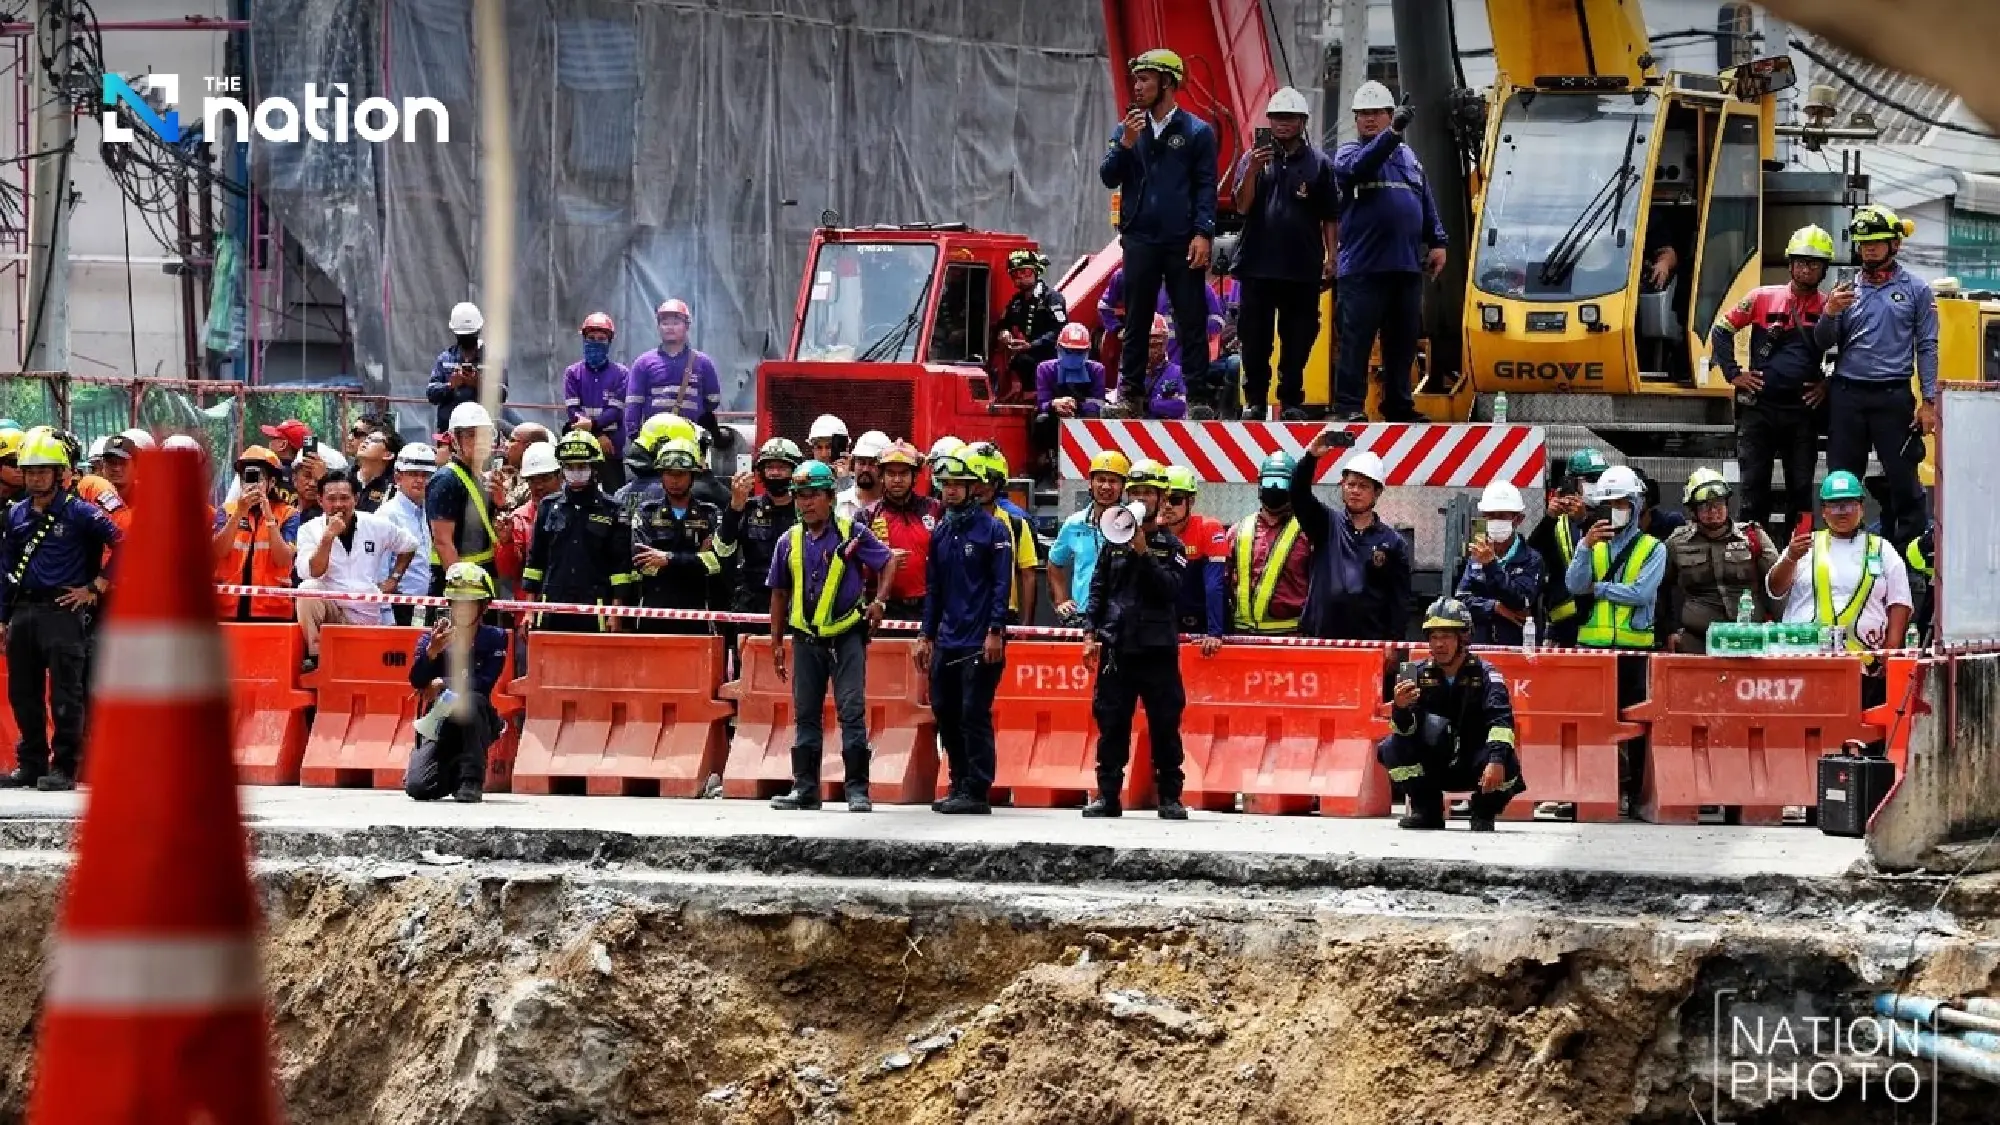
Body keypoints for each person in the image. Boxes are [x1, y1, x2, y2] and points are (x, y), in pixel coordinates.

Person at [766, 460, 898, 813]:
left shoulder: (852, 534)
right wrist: (776, 642)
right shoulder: (788, 541)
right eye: (801, 496)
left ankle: (857, 791)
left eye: (813, 495)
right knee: (806, 714)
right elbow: (778, 593)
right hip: (806, 640)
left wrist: (880, 602)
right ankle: (805, 790)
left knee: (851, 712)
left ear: (829, 497)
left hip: (845, 637)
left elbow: (887, 561)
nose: (806, 503)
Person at [1099, 47, 1218, 414]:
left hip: (1182, 240)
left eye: (1144, 79)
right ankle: (1130, 395)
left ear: (1167, 82)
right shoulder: (1127, 130)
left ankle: (1198, 397)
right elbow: (1109, 176)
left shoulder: (1198, 132)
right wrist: (1125, 144)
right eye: (1136, 79)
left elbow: (1206, 186)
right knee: (1136, 318)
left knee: (1191, 318)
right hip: (1140, 239)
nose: (1136, 86)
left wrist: (1203, 233)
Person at [1811, 205, 1938, 545]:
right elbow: (1822, 342)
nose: (1868, 248)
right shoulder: (1845, 289)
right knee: (1842, 480)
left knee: (1904, 481)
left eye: (1876, 242)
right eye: (1863, 242)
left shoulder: (1916, 289)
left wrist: (1929, 402)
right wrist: (1830, 312)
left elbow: (1927, 346)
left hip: (1893, 397)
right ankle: (1841, 549)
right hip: (1847, 396)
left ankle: (1910, 555)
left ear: (1894, 244)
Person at [0, 431, 118, 791]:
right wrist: (3, 618)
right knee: (22, 693)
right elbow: (5, 568)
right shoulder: (15, 514)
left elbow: (126, 544)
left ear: (59, 472)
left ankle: (65, 767)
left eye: (43, 471)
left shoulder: (81, 512)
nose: (35, 477)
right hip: (23, 611)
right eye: (30, 471)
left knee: (66, 694)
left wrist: (95, 587)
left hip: (63, 612)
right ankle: (30, 764)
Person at [1331, 80, 1446, 424]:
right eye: (1363, 113)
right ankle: (1349, 406)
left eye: (1377, 113)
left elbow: (1425, 200)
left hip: (1405, 267)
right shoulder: (1349, 154)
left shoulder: (1409, 159)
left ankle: (1398, 405)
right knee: (1356, 341)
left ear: (1388, 113)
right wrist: (1393, 133)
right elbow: (1359, 168)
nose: (1369, 119)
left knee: (1402, 344)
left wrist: (1438, 241)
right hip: (1363, 269)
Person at [1080, 459, 1188, 820]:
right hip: (1117, 647)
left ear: (1161, 498)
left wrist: (1144, 553)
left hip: (1157, 649)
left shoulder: (1171, 546)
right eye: (1136, 493)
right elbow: (1098, 589)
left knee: (1164, 724)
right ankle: (1108, 795)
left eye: (1148, 493)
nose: (1141, 499)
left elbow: (1170, 590)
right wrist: (1090, 632)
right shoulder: (1113, 542)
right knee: (1111, 723)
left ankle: (1169, 797)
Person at [1709, 225, 1835, 534]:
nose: (1807, 269)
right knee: (1753, 487)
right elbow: (1721, 330)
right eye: (1801, 262)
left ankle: (1801, 551)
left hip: (1802, 412)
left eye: (1814, 264)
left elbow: (1852, 350)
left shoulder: (1829, 307)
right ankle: (1752, 550)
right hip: (1759, 410)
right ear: (1790, 264)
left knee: (1802, 489)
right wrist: (1734, 374)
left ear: (1824, 269)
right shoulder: (1761, 297)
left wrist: (1826, 385)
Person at [1226, 85, 1340, 420]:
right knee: (1254, 338)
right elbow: (1242, 206)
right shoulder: (1252, 158)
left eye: (1289, 118)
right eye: (1276, 118)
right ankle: (1255, 401)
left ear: (1303, 121)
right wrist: (1252, 170)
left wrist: (1332, 257)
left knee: (1299, 338)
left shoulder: (1319, 164)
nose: (1282, 124)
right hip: (1257, 265)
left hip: (1302, 267)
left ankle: (1291, 401)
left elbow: (1330, 215)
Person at [916, 451, 1012, 815]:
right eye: (946, 485)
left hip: (979, 640)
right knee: (945, 710)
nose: (951, 491)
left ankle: (977, 788)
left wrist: (995, 630)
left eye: (958, 484)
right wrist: (926, 635)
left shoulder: (993, 530)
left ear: (974, 488)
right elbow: (934, 589)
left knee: (973, 712)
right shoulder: (941, 532)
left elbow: (1001, 585)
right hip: (948, 639)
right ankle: (958, 782)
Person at [1377, 598, 1526, 832]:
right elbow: (1405, 731)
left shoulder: (1486, 675)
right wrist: (1401, 708)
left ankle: (1483, 812)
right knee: (1390, 747)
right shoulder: (1415, 674)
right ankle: (1427, 811)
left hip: (1475, 763)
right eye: (1434, 637)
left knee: (1506, 759)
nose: (1439, 644)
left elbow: (1501, 723)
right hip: (1435, 765)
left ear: (1463, 638)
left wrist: (1496, 761)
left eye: (1446, 636)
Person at [1767, 471, 1913, 675]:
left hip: (1862, 664)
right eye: (1835, 505)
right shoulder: (1805, 545)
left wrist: (1890, 650)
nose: (1842, 512)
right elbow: (1775, 589)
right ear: (1824, 511)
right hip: (1803, 661)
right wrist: (1790, 558)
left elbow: (1900, 601)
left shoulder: (1882, 549)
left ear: (1862, 508)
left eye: (1849, 505)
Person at [403, 562, 509, 804]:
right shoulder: (432, 639)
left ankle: (471, 780)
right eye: (458, 602)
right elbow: (417, 681)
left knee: (471, 699)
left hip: (475, 716)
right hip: (440, 719)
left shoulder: (495, 638)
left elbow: (484, 682)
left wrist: (443, 682)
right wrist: (431, 654)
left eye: (470, 603)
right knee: (419, 787)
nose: (462, 609)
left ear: (483, 606)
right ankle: (453, 771)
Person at [293, 472, 419, 672]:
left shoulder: (375, 524)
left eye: (344, 498)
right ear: (320, 500)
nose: (338, 505)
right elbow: (312, 572)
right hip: (332, 611)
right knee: (307, 589)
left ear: (356, 498)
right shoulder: (309, 529)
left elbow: (410, 544)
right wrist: (327, 538)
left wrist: (394, 579)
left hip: (366, 612)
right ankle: (317, 658)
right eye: (331, 499)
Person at [1291, 438, 1409, 641]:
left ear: (1377, 492)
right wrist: (1311, 458)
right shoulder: (1325, 524)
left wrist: (1393, 643)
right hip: (1320, 640)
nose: (1355, 491)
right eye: (1350, 484)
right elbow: (1298, 494)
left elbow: (1399, 602)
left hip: (1369, 644)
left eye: (1363, 486)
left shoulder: (1393, 543)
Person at [520, 431, 638, 633]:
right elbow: (535, 562)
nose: (575, 472)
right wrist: (529, 610)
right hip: (552, 607)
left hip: (596, 608)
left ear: (594, 468)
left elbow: (621, 568)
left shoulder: (613, 510)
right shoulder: (548, 507)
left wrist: (616, 613)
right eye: (569, 467)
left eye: (582, 466)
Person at [1664, 469, 1779, 654]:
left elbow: (1778, 585)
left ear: (1727, 503)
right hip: (1696, 641)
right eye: (1705, 506)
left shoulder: (1753, 536)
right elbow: (1661, 590)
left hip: (1751, 640)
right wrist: (1670, 629)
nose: (1713, 511)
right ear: (1693, 510)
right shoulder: (1676, 543)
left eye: (1718, 503)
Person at [630, 437, 730, 633]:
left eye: (681, 474)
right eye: (669, 473)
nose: (675, 480)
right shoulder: (646, 513)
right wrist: (697, 558)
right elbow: (644, 565)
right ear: (661, 475)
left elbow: (716, 564)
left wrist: (667, 558)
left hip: (699, 614)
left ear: (693, 475)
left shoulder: (710, 514)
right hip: (654, 614)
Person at [212, 446, 302, 623]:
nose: (251, 484)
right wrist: (239, 513)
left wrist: (269, 517)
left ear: (272, 482)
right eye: (247, 477)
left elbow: (283, 559)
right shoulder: (226, 510)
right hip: (227, 607)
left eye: (257, 477)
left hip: (272, 610)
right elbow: (218, 551)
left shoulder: (289, 514)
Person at [1226, 452, 1312, 635]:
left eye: (1281, 483)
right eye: (1269, 482)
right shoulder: (1237, 531)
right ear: (1259, 485)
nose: (1274, 488)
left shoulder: (1308, 533)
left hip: (1290, 638)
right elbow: (1221, 583)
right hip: (1241, 637)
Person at [1529, 448, 1608, 647]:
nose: (1597, 483)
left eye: (1601, 477)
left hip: (1601, 623)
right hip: (1563, 625)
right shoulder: (1558, 521)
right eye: (1591, 479)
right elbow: (1533, 554)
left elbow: (1609, 556)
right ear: (1572, 482)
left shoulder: (1613, 514)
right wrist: (1549, 519)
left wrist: (1584, 520)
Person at [425, 402, 501, 599]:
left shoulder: (480, 478)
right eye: (470, 435)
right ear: (454, 440)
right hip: (460, 583)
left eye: (485, 435)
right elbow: (443, 542)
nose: (480, 441)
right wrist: (462, 589)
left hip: (483, 577)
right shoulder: (446, 480)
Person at [1456, 482, 1544, 647]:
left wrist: (1491, 566)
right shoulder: (1476, 556)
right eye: (1490, 515)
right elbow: (1462, 600)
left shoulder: (1531, 559)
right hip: (1480, 646)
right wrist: (1494, 607)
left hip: (1518, 646)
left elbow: (1521, 600)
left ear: (1518, 519)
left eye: (1502, 516)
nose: (1496, 521)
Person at [860, 441, 940, 621]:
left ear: (914, 476)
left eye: (903, 473)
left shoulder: (935, 509)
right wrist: (883, 560)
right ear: (881, 475)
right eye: (891, 473)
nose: (897, 480)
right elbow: (854, 566)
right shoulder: (866, 516)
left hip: (928, 607)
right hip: (883, 608)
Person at [722, 438, 803, 614]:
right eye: (770, 467)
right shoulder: (747, 508)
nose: (775, 473)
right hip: (753, 605)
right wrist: (734, 508)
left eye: (782, 467)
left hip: (795, 603)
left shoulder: (806, 512)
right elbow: (723, 549)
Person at [964, 442, 1041, 625]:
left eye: (988, 481)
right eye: (975, 480)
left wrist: (1026, 625)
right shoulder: (953, 525)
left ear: (999, 484)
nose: (980, 487)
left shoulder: (1017, 524)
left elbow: (1028, 576)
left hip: (1005, 615)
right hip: (964, 614)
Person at [623, 299, 721, 441]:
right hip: (655, 441)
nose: (670, 327)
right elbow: (633, 405)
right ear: (658, 327)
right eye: (665, 323)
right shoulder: (643, 363)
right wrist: (636, 438)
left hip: (691, 441)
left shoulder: (703, 363)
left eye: (675, 323)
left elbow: (712, 401)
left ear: (687, 326)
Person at [1050, 450, 1130, 622]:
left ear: (1123, 486)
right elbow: (1054, 563)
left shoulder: (1132, 525)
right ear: (1090, 483)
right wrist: (1061, 601)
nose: (1106, 487)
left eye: (1113, 481)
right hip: (1083, 616)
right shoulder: (1074, 523)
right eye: (1100, 479)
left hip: (1121, 619)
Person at [1158, 465, 1226, 654]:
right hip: (1163, 625)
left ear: (1191, 501)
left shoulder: (1208, 528)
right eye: (1163, 499)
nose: (1168, 505)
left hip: (1201, 623)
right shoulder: (1150, 531)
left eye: (1176, 499)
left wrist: (1215, 633)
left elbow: (1214, 585)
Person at [994, 249, 1068, 402]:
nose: (1020, 277)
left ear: (1035, 271)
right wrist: (1004, 333)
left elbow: (1060, 330)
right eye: (1015, 274)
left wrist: (1032, 345)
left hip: (1050, 360)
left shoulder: (1052, 298)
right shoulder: (1016, 301)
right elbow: (1002, 324)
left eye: (1025, 272)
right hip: (1024, 361)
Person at [426, 302, 508, 437]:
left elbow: (502, 393)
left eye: (470, 335)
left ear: (478, 331)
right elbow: (431, 394)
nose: (466, 339)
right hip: (450, 432)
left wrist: (479, 384)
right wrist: (450, 386)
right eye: (463, 336)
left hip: (483, 432)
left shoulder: (493, 361)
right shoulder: (446, 359)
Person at [376, 443, 437, 626]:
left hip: (422, 605)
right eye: (413, 474)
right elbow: (380, 572)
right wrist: (386, 615)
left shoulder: (426, 511)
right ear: (398, 477)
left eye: (425, 475)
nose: (420, 480)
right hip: (398, 607)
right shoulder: (387, 514)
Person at [491, 441, 560, 597]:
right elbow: (507, 572)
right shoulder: (519, 518)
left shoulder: (575, 512)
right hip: (529, 606)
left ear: (560, 476)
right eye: (532, 480)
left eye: (545, 478)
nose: (539, 486)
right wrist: (507, 543)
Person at [564, 311, 631, 468]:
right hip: (581, 449)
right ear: (584, 340)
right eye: (591, 338)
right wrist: (597, 435)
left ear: (609, 342)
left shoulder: (621, 374)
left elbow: (615, 412)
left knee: (613, 483)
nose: (596, 343)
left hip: (611, 448)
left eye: (601, 339)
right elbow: (573, 410)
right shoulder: (572, 373)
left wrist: (592, 427)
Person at [1034, 322, 1108, 454]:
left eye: (1079, 352)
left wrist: (1076, 406)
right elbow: (1041, 403)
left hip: (1084, 420)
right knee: (1041, 420)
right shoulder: (1045, 369)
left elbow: (1099, 404)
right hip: (1055, 419)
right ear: (1058, 347)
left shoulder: (1097, 370)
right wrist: (1053, 404)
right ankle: (1044, 459)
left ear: (1088, 351)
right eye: (1068, 351)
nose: (1073, 356)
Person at [1121, 314, 1188, 419]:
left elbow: (1182, 406)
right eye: (1148, 345)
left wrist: (1149, 405)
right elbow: (1121, 408)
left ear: (1165, 343)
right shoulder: (1127, 375)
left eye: (1156, 345)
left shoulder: (1177, 372)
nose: (1152, 351)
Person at [837, 430, 890, 521]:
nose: (865, 469)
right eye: (861, 462)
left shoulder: (894, 507)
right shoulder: (839, 503)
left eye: (872, 463)